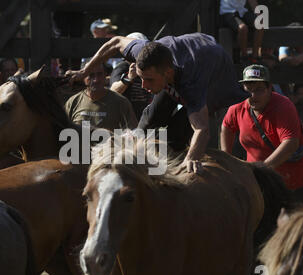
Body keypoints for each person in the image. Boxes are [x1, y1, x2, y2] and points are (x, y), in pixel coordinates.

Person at [66, 32, 249, 173]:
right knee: (149, 119)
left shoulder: (192, 84)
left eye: (149, 80)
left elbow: (202, 130)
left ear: (167, 74)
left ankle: (169, 166)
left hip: (214, 77)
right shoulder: (143, 52)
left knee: (177, 134)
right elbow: (114, 43)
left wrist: (191, 158)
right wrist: (83, 71)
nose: (144, 85)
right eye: (141, 77)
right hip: (179, 59)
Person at [221, 64, 303, 207]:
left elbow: (290, 143)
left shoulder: (283, 106)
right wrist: (226, 159)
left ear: (269, 88)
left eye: (259, 90)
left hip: (296, 177)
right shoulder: (237, 109)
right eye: (249, 89)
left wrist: (262, 169)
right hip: (262, 182)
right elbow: (226, 127)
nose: (253, 96)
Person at [64, 62, 137, 132]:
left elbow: (133, 134)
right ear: (83, 77)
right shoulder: (73, 102)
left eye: (99, 74)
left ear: (105, 75)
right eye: (91, 75)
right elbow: (62, 131)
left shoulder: (121, 103)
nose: (96, 80)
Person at [110, 32, 153, 119]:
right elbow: (113, 91)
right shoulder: (122, 67)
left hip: (146, 118)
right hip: (126, 119)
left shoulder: (148, 67)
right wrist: (129, 77)